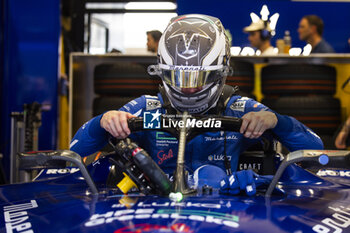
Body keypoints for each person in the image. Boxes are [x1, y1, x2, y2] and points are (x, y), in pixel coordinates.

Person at [70, 14, 323, 186]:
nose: (188, 89)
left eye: (199, 78)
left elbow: (316, 150)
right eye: (177, 76)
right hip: (153, 213)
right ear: (161, 71)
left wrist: (276, 121)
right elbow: (74, 154)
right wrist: (103, 122)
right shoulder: (147, 110)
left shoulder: (238, 110)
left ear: (222, 71)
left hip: (226, 213)